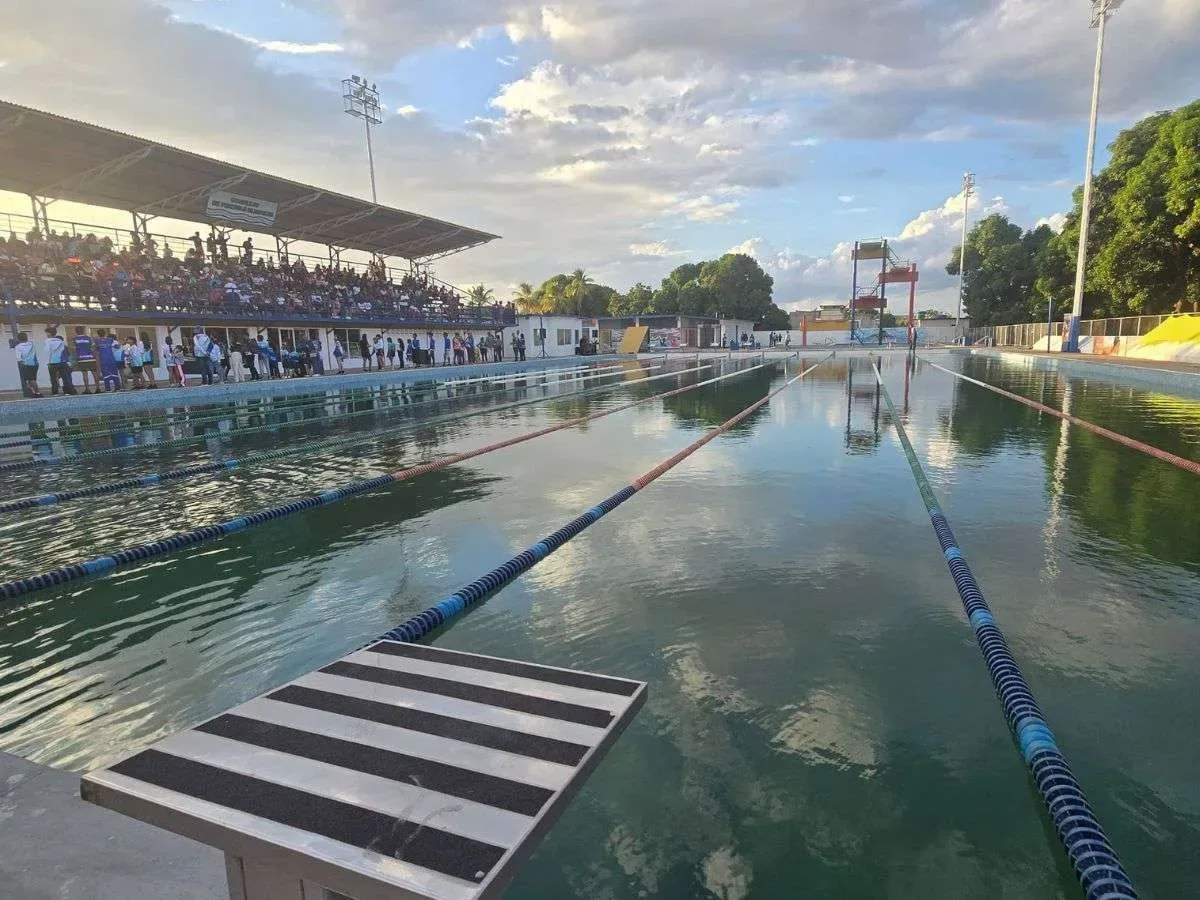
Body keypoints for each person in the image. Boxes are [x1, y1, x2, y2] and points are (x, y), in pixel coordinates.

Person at [44, 326, 75, 395]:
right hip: (62, 361)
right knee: (65, 377)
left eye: (47, 333)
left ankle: (55, 392)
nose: (46, 334)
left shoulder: (48, 341)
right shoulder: (61, 341)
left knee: (53, 378)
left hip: (52, 362)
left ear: (49, 333)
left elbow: (47, 351)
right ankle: (67, 392)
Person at [73, 325, 100, 393]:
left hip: (82, 359)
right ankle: (98, 388)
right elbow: (93, 348)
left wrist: (76, 358)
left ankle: (87, 389)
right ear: (83, 331)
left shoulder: (75, 339)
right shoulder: (89, 338)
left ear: (76, 332)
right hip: (91, 358)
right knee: (94, 373)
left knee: (84, 374)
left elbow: (75, 349)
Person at [14, 331, 41, 397]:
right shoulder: (32, 344)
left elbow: (19, 358)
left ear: (18, 339)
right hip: (35, 364)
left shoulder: (18, 347)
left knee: (30, 379)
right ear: (27, 338)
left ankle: (38, 393)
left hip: (26, 365)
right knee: (32, 379)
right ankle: (34, 392)